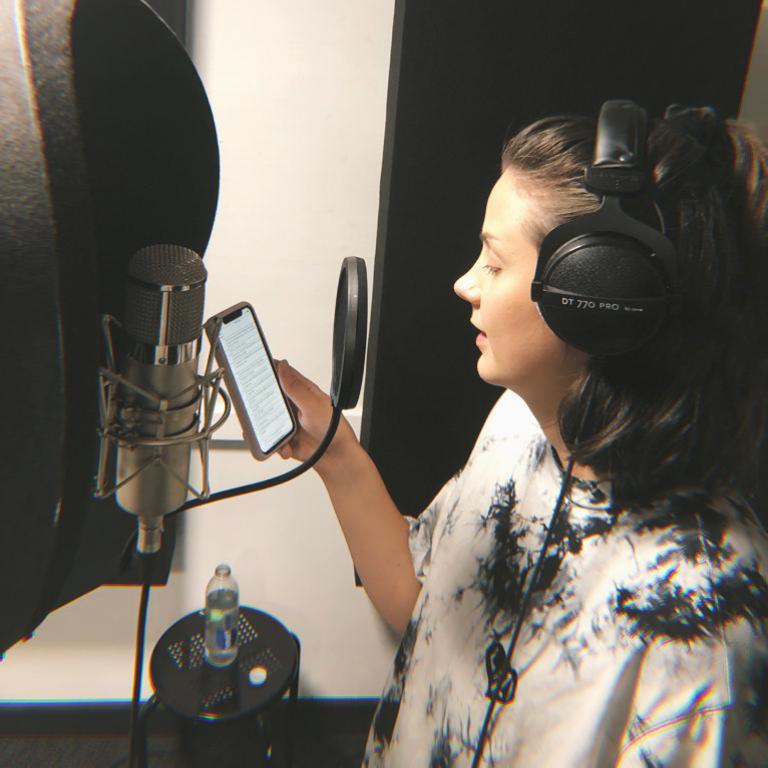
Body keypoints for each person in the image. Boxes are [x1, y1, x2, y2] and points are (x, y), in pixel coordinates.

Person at [277, 103, 768, 766]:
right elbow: (422, 608)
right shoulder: (517, 424)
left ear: (595, 300)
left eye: (494, 262)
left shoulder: (706, 618)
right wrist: (335, 453)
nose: (464, 283)